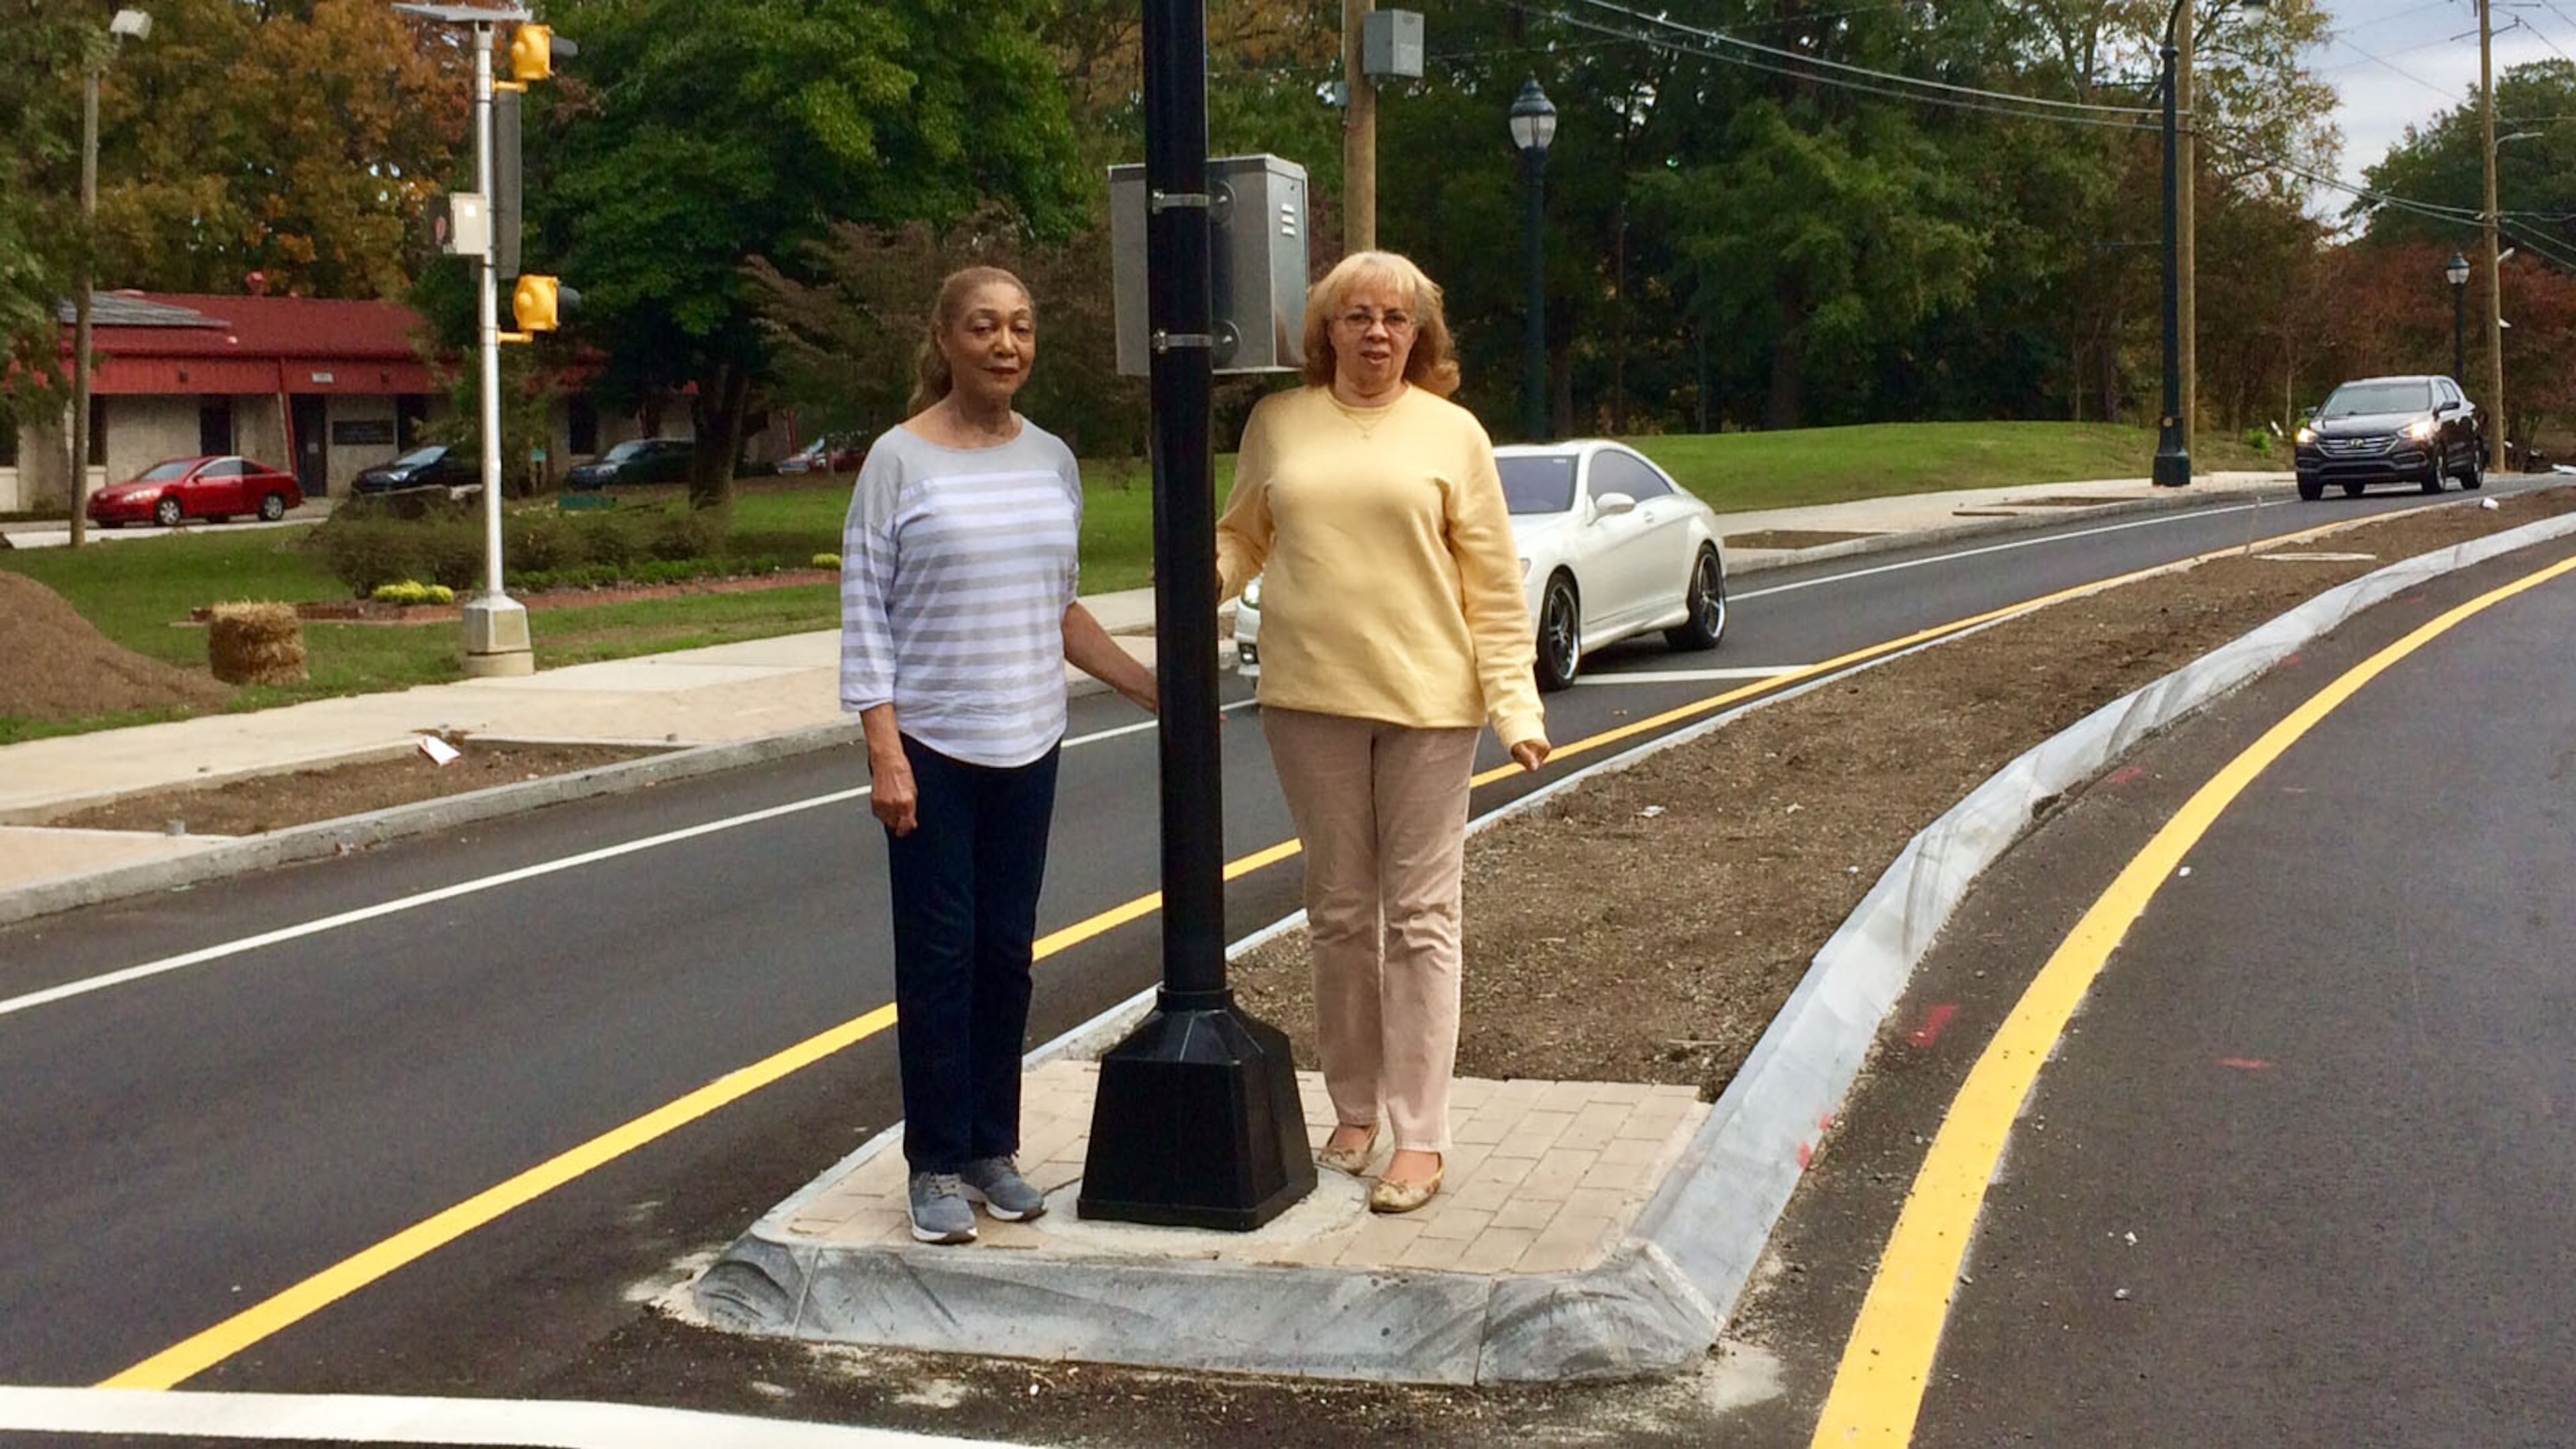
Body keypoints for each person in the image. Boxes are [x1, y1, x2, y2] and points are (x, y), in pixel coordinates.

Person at [1216, 250, 1550, 1214]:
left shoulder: (1453, 435)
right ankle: (1352, 1108)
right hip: (1309, 698)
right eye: (1355, 316)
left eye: (1394, 320)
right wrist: (1207, 577)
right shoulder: (1279, 423)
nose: (1374, 333)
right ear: (1325, 330)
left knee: (1421, 917)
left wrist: (1515, 706)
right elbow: (1246, 535)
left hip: (1431, 707)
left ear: (1420, 336)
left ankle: (1420, 1135)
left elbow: (1492, 582)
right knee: (1339, 914)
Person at [841, 266, 1158, 1244]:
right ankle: (933, 1161)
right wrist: (885, 753)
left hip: (1030, 741)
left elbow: (1058, 609)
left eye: (1021, 328)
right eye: (984, 327)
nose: (1006, 345)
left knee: (1005, 957)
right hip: (934, 745)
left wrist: (1155, 687)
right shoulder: (898, 462)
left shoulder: (1051, 460)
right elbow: (865, 616)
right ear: (944, 339)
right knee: (939, 958)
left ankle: (991, 1149)